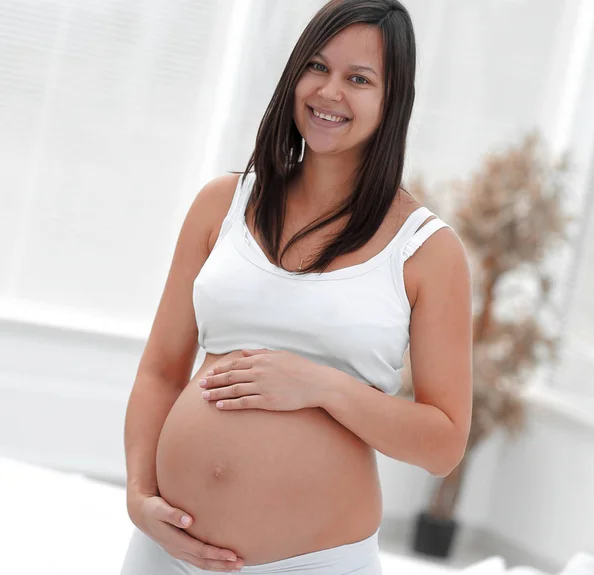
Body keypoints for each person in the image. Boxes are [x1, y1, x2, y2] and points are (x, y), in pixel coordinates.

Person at [120, 0, 473, 573]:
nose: (330, 92)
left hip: (315, 562)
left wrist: (321, 386)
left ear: (393, 99)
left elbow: (443, 443)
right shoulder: (223, 204)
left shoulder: (427, 251)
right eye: (317, 66)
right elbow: (161, 369)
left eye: (358, 79)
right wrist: (140, 497)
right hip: (171, 551)